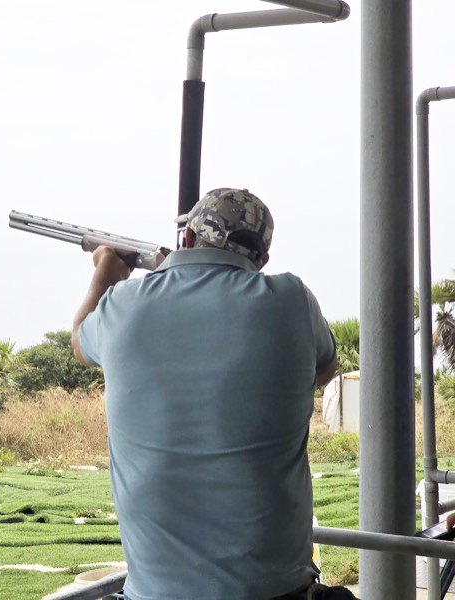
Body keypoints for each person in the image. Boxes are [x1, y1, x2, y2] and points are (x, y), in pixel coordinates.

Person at [71, 188, 350, 600]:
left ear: (186, 239)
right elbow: (326, 368)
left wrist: (106, 270)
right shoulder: (292, 301)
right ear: (262, 260)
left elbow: (79, 341)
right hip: (283, 594)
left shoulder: (124, 305)